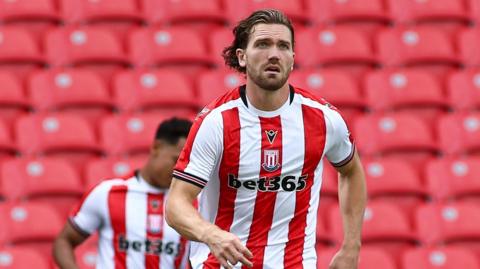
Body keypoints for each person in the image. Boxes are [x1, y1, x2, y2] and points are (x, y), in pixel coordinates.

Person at [165, 9, 367, 269]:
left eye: (283, 46)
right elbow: (176, 204)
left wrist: (351, 246)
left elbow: (350, 171)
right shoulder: (216, 122)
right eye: (262, 44)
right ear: (242, 57)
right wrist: (210, 234)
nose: (274, 54)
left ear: (293, 58)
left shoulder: (324, 119)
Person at [53, 117, 193, 269]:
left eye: (187, 165)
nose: (180, 170)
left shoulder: (194, 203)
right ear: (156, 147)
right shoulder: (108, 193)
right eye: (176, 160)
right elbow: (64, 242)